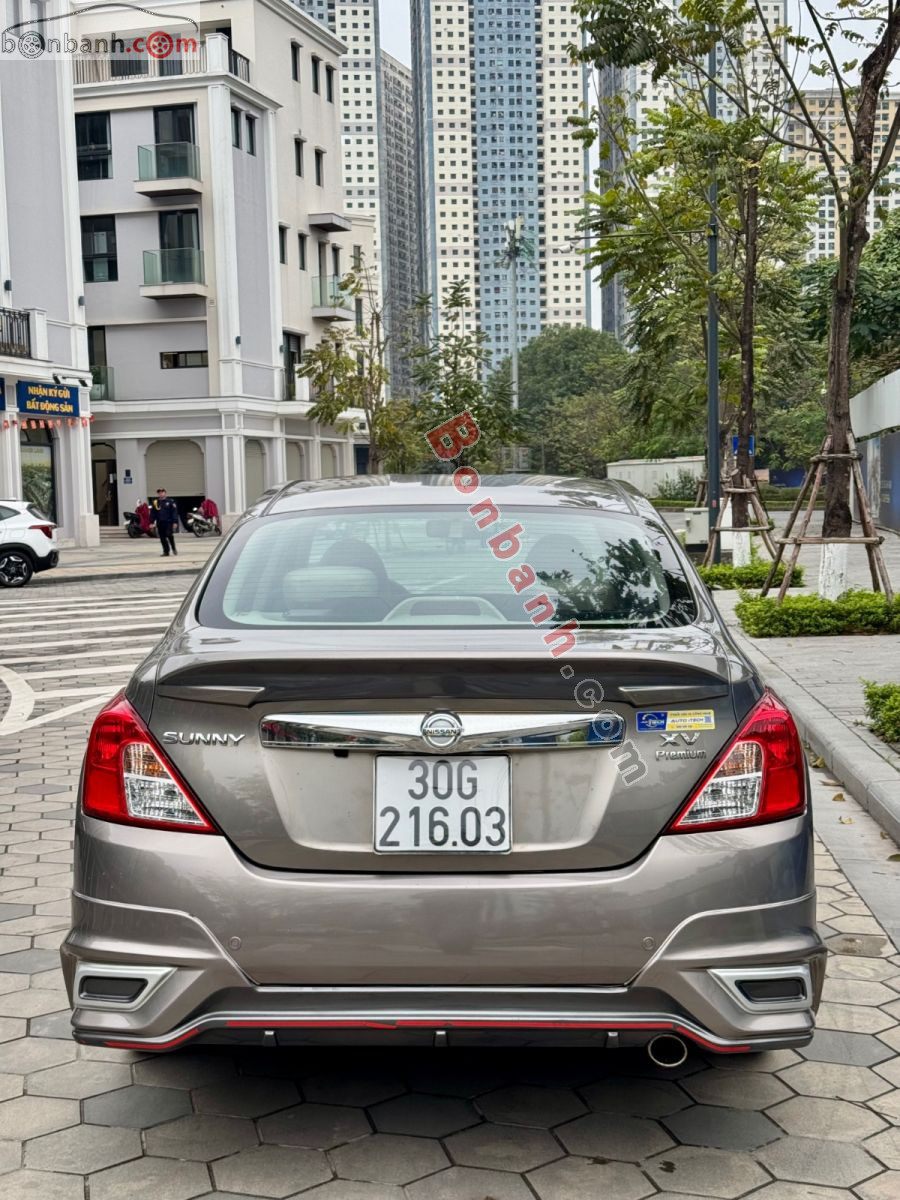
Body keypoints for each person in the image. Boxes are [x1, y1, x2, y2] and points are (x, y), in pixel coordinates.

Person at [151, 488, 180, 557]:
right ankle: (166, 551)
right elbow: (153, 513)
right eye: (159, 493)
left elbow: (174, 512)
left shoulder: (170, 501)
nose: (160, 494)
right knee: (162, 538)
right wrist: (151, 522)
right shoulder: (156, 502)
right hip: (160, 523)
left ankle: (173, 547)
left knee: (169, 535)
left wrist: (175, 522)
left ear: (165, 493)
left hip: (168, 522)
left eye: (162, 492)